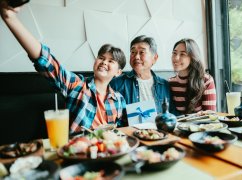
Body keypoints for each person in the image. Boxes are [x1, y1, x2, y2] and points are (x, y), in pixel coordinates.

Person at [0, 4, 127, 133]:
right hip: (79, 148)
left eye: (111, 61)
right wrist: (10, 18)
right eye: (101, 57)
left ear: (118, 72)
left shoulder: (119, 99)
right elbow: (47, 62)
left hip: (109, 149)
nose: (104, 62)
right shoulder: (77, 85)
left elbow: (121, 130)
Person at [110, 35, 174, 114]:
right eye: (133, 52)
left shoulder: (165, 86)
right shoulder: (116, 84)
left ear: (154, 58)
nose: (136, 57)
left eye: (142, 52)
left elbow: (173, 115)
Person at [169, 38, 216, 115]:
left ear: (193, 57)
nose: (176, 58)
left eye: (182, 54)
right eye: (174, 53)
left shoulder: (206, 80)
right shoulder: (170, 83)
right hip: (177, 126)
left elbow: (210, 116)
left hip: (200, 126)